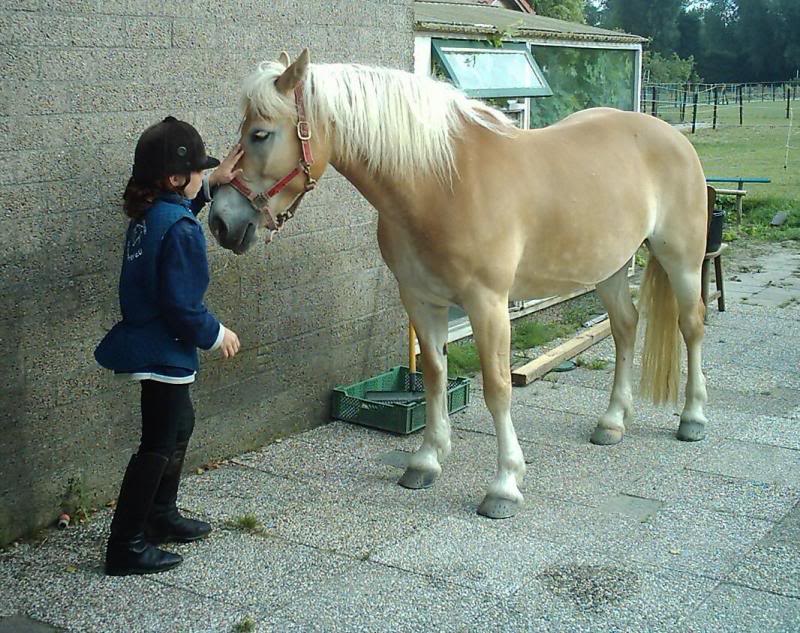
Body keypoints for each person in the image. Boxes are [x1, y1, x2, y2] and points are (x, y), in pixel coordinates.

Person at [95, 116, 242, 576]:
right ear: (176, 178)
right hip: (163, 347)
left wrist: (210, 184)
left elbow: (175, 219)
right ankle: (126, 544)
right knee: (157, 443)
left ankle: (160, 515)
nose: (204, 176)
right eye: (199, 171)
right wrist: (217, 334)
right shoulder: (179, 227)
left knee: (179, 424)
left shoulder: (151, 215)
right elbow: (182, 305)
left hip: (148, 342)